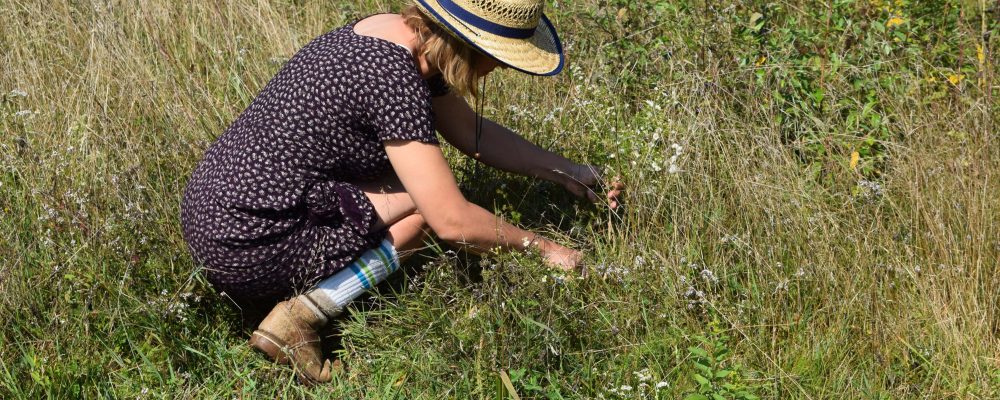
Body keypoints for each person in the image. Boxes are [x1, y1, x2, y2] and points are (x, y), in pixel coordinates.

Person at [180, 0, 624, 384]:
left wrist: (565, 170)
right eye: (502, 58)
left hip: (215, 215)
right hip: (252, 244)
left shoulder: (391, 33)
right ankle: (303, 315)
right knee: (430, 205)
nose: (501, 69)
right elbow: (452, 221)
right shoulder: (393, 77)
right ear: (475, 46)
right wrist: (547, 250)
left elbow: (471, 133)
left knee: (429, 187)